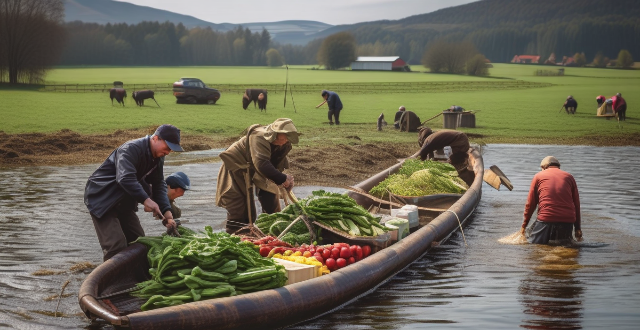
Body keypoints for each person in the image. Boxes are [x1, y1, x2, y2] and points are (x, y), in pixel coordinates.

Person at [84, 124, 184, 261]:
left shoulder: (158, 156)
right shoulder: (131, 149)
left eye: (171, 150)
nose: (168, 152)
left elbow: (158, 183)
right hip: (103, 198)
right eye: (167, 147)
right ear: (155, 138)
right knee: (116, 246)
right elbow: (125, 178)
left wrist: (167, 212)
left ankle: (137, 278)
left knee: (140, 242)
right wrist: (146, 200)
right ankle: (114, 281)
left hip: (124, 200)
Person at [216, 118, 299, 234]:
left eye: (287, 137)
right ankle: (236, 236)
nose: (284, 140)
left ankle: (271, 231)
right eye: (283, 136)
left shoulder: (284, 143)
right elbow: (262, 164)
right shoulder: (259, 136)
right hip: (237, 166)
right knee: (240, 207)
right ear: (274, 133)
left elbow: (273, 167)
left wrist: (283, 182)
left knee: (272, 199)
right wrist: (282, 178)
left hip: (258, 169)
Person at [520, 156, 582, 245]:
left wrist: (524, 226)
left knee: (533, 246)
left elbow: (530, 204)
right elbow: (576, 204)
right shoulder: (569, 177)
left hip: (546, 218)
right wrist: (577, 228)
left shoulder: (538, 176)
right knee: (563, 247)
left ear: (544, 167)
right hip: (567, 221)